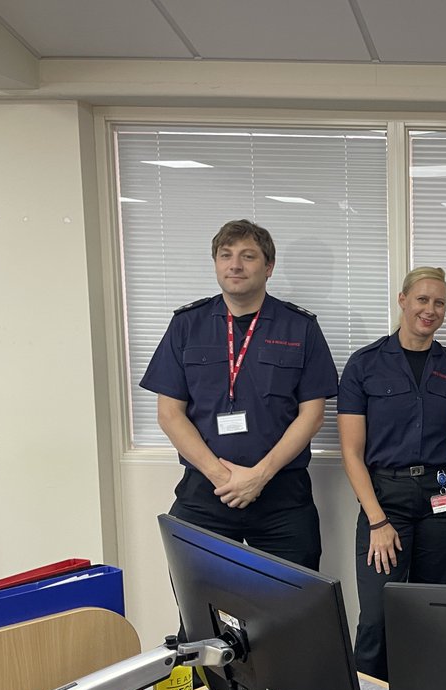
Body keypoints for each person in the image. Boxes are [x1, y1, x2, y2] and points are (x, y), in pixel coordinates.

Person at [141, 219, 338, 570]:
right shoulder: (187, 325)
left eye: (248, 256)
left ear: (269, 267)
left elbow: (313, 415)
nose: (235, 265)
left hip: (281, 495)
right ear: (215, 263)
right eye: (225, 255)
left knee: (294, 599)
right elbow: (169, 413)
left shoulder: (300, 327)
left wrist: (259, 476)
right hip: (206, 492)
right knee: (201, 600)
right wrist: (223, 478)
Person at [338, 266, 446, 680]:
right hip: (385, 500)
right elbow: (351, 452)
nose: (430, 310)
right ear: (403, 300)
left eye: (439, 303)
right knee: (377, 618)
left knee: (431, 613)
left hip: (441, 501)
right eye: (422, 299)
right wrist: (377, 521)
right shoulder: (365, 364)